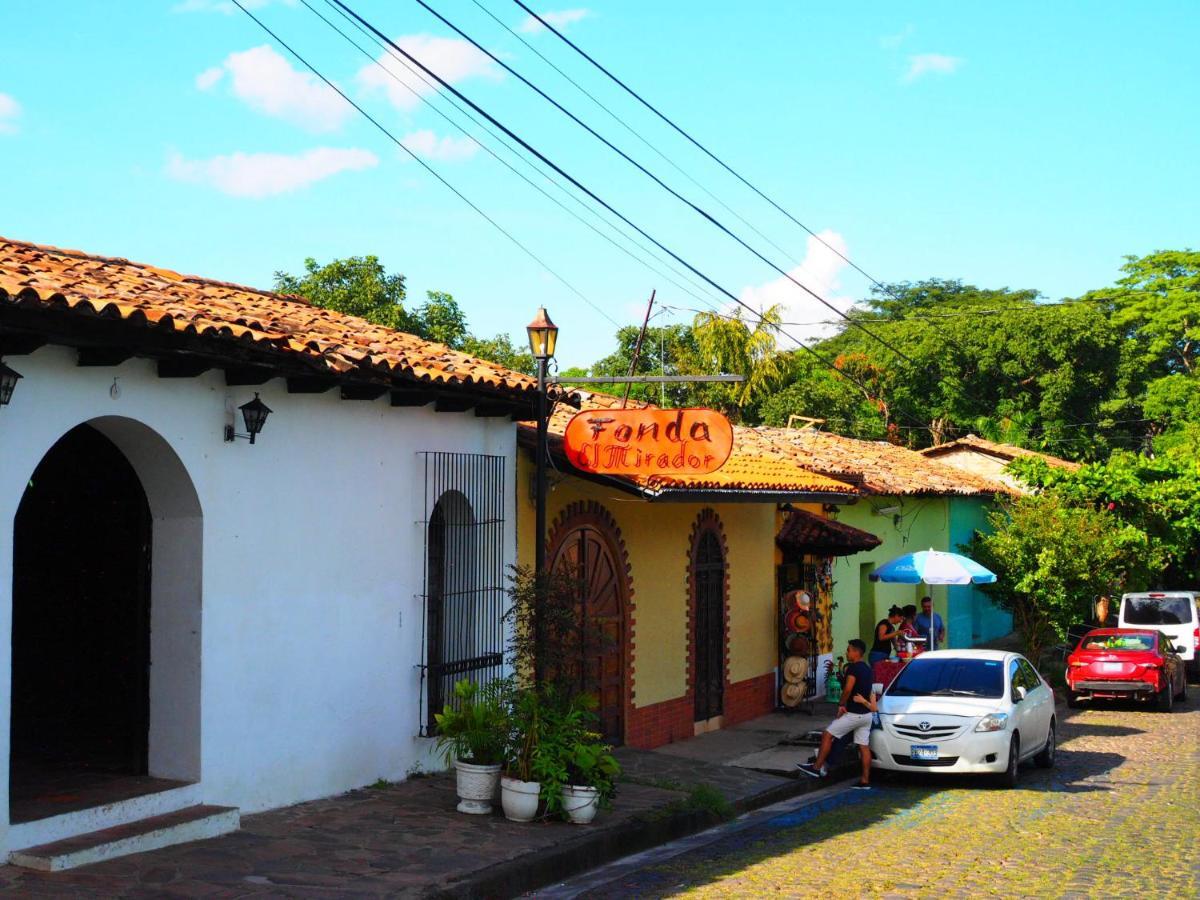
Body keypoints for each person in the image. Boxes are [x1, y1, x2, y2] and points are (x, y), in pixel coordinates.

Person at [798, 639, 875, 790]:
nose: (847, 653)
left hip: (854, 714)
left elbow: (847, 689)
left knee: (827, 734)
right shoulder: (867, 668)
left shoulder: (853, 669)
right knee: (863, 747)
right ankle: (865, 780)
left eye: (848, 650)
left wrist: (841, 704)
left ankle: (816, 767)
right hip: (866, 716)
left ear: (855, 652)